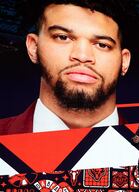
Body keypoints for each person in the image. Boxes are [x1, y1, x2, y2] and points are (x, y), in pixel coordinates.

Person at [0, 0, 131, 135]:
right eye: (63, 37)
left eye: (102, 45)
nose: (82, 56)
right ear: (33, 47)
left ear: (124, 61)